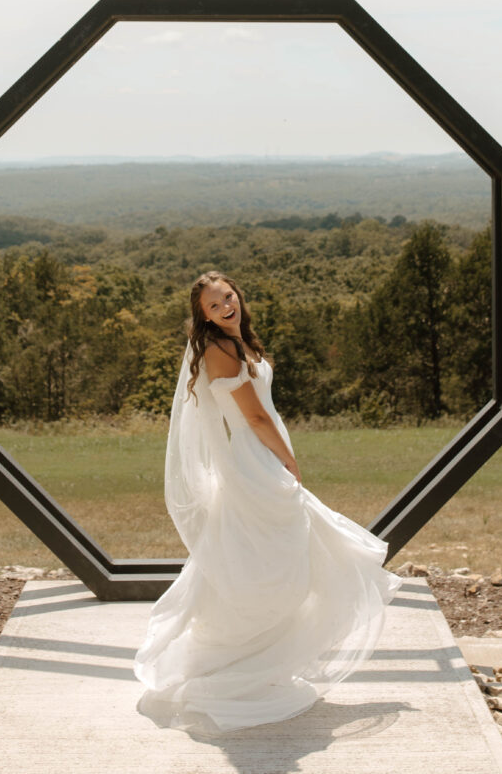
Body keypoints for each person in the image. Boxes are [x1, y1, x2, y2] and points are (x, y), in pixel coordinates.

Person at [134, 270, 401, 734]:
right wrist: (288, 461)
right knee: (288, 556)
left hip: (256, 460)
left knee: (275, 554)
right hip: (254, 464)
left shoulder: (241, 343)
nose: (226, 308)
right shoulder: (220, 350)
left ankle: (267, 655)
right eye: (214, 306)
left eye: (228, 297)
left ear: (238, 295)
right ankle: (249, 658)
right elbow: (255, 416)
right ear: (204, 317)